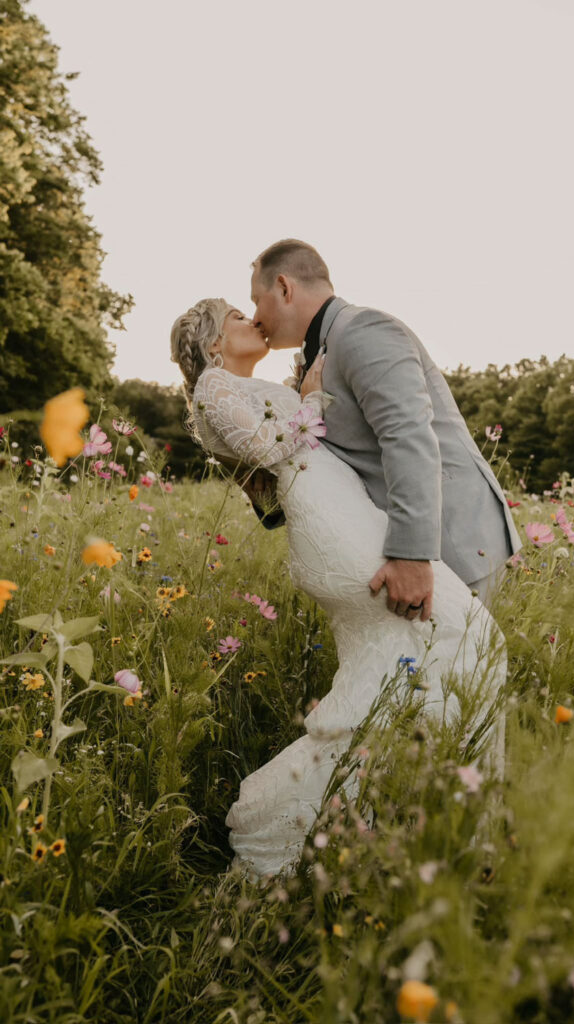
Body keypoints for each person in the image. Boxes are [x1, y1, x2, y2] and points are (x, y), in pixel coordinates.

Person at [169, 285, 512, 879]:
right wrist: (306, 397)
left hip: (345, 509)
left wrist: (301, 391)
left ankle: (398, 815)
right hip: (333, 527)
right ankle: (401, 818)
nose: (250, 317)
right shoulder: (214, 386)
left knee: (417, 659)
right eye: (235, 315)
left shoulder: (254, 386)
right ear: (214, 343)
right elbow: (266, 448)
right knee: (463, 635)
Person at [248, 239, 522, 612]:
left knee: (461, 668)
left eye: (255, 300)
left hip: (451, 545)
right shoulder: (322, 351)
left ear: (283, 287)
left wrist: (411, 554)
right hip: (409, 552)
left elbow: (406, 434)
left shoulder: (362, 329)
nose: (253, 318)